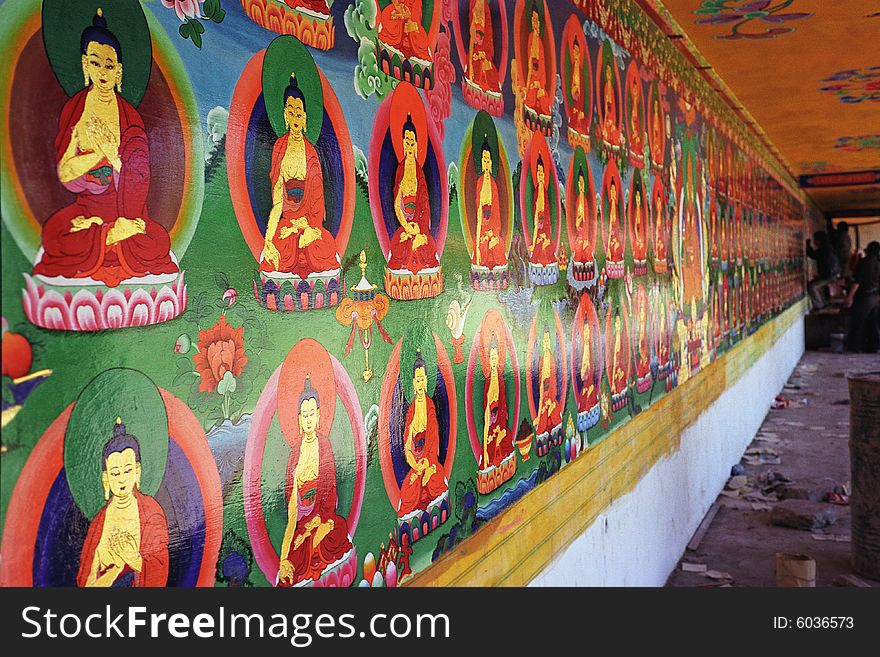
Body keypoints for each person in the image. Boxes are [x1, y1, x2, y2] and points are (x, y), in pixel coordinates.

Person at [34, 9, 178, 288]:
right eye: (96, 63)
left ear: (119, 71)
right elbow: (65, 173)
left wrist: (115, 157)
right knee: (53, 234)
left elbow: (139, 178)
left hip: (126, 208)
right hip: (87, 209)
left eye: (110, 65)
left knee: (158, 241)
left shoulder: (129, 118)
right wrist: (98, 154)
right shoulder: (75, 110)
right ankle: (111, 236)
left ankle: (113, 234)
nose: (103, 71)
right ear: (85, 64)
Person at [261, 74, 339, 278]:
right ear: (285, 115)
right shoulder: (279, 149)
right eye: (291, 112)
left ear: (304, 117)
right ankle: (294, 248)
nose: (296, 118)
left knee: (326, 246)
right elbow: (278, 203)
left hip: (309, 226)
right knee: (280, 249)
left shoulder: (311, 153)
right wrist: (269, 240)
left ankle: (302, 248)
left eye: (299, 112)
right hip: (289, 225)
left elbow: (317, 203)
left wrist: (307, 226)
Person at [278, 377, 353, 586]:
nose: (309, 419)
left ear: (319, 415)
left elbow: (330, 495)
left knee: (335, 531)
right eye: (305, 414)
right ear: (299, 419)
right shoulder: (294, 456)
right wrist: (284, 558)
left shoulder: (324, 446)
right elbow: (293, 513)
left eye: (312, 413)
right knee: (295, 561)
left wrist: (320, 521)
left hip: (323, 521)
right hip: (303, 527)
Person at [77, 418, 169, 587]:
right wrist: (114, 570)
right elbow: (86, 578)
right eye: (115, 473)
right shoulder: (100, 520)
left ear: (137, 471)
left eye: (127, 470)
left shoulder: (151, 512)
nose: (122, 480)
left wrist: (132, 559)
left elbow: (159, 569)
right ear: (106, 479)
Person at [387, 115, 440, 274]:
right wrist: (406, 226)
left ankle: (417, 242)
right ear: (402, 144)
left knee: (427, 245)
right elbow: (397, 205)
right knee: (398, 245)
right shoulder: (400, 172)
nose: (410, 146)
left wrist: (419, 228)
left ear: (416, 145)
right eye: (407, 142)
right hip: (406, 225)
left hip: (419, 228)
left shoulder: (420, 175)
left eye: (412, 142)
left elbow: (424, 207)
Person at [398, 353, 447, 516]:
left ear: (426, 380)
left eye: (422, 379)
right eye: (417, 380)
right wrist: (416, 466)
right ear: (413, 383)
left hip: (430, 463)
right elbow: (407, 448)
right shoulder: (411, 411)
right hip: (417, 466)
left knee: (435, 478)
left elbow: (434, 441)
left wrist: (428, 463)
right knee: (407, 491)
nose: (420, 383)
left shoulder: (430, 406)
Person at [473, 138, 506, 269]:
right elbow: (479, 212)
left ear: (491, 163)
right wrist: (483, 234)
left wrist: (494, 233)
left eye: (488, 161)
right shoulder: (480, 183)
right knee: (482, 246)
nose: (486, 164)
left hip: (492, 228)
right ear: (481, 162)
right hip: (483, 229)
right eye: (484, 161)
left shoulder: (493, 184)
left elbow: (496, 212)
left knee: (498, 245)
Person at [481, 338, 512, 469]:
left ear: (499, 359)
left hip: (500, 424)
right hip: (491, 426)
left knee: (505, 441)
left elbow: (503, 407)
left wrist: (501, 429)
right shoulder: (488, 382)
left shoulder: (500, 380)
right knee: (489, 449)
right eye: (491, 358)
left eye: (495, 358)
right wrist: (488, 434)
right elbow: (487, 412)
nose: (493, 361)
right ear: (488, 360)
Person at [846, 241, 880, 353]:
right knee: (872, 323)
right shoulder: (878, 263)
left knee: (857, 322)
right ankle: (873, 347)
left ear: (868, 250)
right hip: (875, 297)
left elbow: (857, 282)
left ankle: (855, 348)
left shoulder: (864, 262)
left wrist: (849, 296)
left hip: (864, 297)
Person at [377, 0, 431, 64]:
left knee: (421, 41)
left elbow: (416, 23)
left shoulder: (416, 5)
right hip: (397, 18)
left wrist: (408, 19)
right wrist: (400, 12)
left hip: (411, 24)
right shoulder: (390, 11)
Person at [466, 0, 499, 93]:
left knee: (490, 71)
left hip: (485, 53)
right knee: (477, 65)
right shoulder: (474, 19)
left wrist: (485, 55)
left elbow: (489, 37)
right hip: (475, 54)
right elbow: (472, 44)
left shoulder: (486, 17)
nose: (480, 15)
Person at [523, 4, 550, 119]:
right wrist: (529, 84)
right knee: (530, 96)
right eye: (533, 19)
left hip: (539, 79)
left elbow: (542, 67)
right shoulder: (530, 38)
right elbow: (530, 64)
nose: (535, 22)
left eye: (536, 19)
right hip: (532, 78)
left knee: (543, 98)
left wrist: (540, 84)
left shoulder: (539, 42)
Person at [534, 327, 562, 435]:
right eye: (544, 341)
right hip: (543, 397)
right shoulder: (541, 361)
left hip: (551, 396)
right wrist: (543, 401)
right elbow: (540, 384)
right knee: (542, 419)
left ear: (550, 342)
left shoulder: (552, 359)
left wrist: (551, 399)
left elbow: (553, 382)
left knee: (554, 413)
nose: (546, 343)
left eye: (547, 340)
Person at [529, 155, 555, 266]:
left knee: (547, 245)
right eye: (538, 172)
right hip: (538, 225)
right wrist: (536, 239)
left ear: (544, 175)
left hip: (545, 226)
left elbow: (548, 215)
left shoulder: (545, 192)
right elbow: (535, 218)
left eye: (541, 172)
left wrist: (546, 236)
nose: (540, 175)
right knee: (538, 246)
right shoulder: (536, 192)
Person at [805, 231, 841, 310]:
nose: (814, 242)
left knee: (812, 286)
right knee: (816, 284)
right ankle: (823, 303)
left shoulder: (825, 249)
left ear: (819, 240)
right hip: (832, 274)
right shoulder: (829, 247)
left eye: (815, 240)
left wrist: (808, 246)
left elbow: (813, 255)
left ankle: (819, 306)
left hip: (829, 276)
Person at [571, 166, 592, 264]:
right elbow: (576, 222)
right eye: (580, 182)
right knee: (578, 250)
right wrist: (578, 221)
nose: (581, 184)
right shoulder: (578, 200)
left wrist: (586, 238)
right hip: (579, 234)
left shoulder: (585, 200)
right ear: (578, 184)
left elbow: (587, 220)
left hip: (585, 234)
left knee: (587, 250)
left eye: (583, 182)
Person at [606, 177, 624, 263]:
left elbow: (618, 224)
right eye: (611, 191)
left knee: (617, 247)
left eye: (614, 191)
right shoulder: (609, 207)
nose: (613, 193)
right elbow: (608, 225)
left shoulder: (616, 207)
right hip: (610, 235)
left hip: (616, 235)